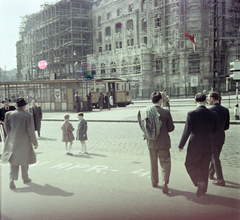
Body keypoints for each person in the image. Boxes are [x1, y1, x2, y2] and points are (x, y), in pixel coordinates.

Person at [178, 93, 217, 197]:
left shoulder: (192, 114)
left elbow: (187, 131)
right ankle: (203, 190)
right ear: (205, 101)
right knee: (204, 166)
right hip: (208, 143)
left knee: (189, 164)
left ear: (195, 101)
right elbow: (215, 129)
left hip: (195, 144)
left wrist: (181, 144)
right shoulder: (212, 113)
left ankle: (199, 182)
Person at [138, 92, 175, 194]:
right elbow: (171, 128)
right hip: (164, 143)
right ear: (160, 100)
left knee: (153, 163)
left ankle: (154, 182)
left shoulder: (146, 112)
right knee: (165, 162)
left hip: (151, 142)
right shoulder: (166, 112)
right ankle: (165, 181)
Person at [2, 98, 38, 190]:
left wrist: (12, 135)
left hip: (12, 141)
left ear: (16, 106)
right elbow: (31, 130)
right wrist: (35, 142)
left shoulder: (8, 114)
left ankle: (12, 180)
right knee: (24, 160)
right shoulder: (28, 115)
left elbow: (6, 128)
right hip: (25, 141)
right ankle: (25, 178)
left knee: (13, 161)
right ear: (24, 106)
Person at [208, 91, 230, 186]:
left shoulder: (209, 110)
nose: (208, 100)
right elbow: (227, 126)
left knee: (215, 157)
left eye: (209, 98)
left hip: (211, 137)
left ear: (212, 98)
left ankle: (220, 179)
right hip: (221, 136)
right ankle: (211, 174)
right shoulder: (225, 110)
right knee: (215, 156)